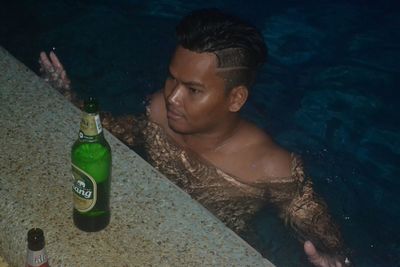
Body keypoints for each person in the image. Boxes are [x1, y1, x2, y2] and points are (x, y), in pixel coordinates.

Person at [39, 9, 351, 267]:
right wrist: (71, 101)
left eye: (193, 89)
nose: (173, 96)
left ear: (235, 99)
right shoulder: (160, 111)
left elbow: (320, 229)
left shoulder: (272, 167)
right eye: (171, 78)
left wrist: (334, 256)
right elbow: (122, 133)